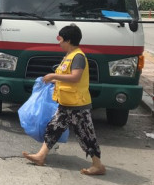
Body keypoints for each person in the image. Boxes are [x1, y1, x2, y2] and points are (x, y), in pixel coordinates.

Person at [22, 24, 106, 176]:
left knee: (85, 135)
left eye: (60, 39)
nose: (59, 43)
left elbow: (75, 77)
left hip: (78, 105)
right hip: (66, 103)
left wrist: (53, 76)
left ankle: (98, 165)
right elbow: (66, 77)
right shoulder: (69, 56)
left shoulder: (78, 57)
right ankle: (41, 156)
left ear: (68, 40)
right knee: (53, 128)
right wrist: (52, 81)